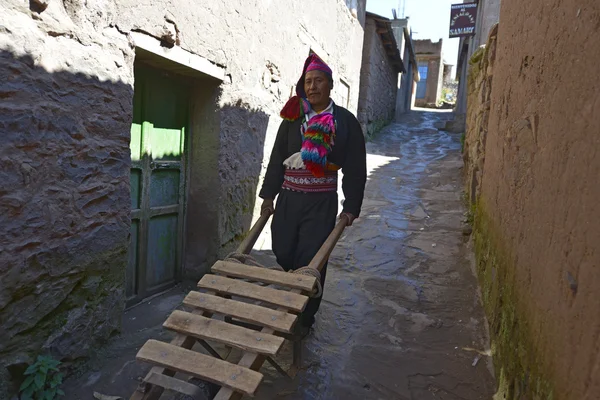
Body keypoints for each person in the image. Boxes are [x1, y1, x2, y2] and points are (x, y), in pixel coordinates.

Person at [259, 54, 367, 333]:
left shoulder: (344, 121)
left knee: (312, 260)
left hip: (321, 203)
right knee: (283, 251)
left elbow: (355, 167)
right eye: (308, 81)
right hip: (289, 199)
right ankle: (293, 295)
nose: (313, 86)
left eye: (319, 81)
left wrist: (351, 206)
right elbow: (276, 158)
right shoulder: (293, 119)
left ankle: (304, 317)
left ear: (331, 85)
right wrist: (268, 196)